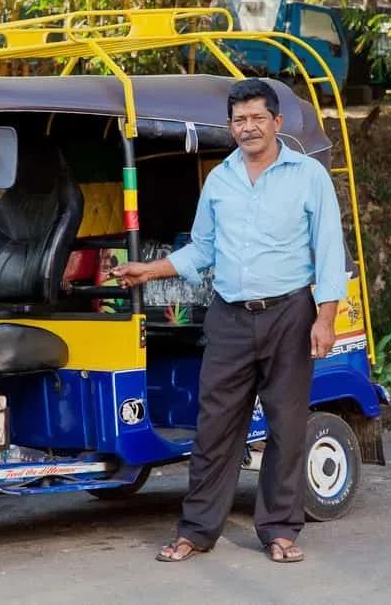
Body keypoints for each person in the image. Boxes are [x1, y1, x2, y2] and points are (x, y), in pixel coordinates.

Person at [111, 78, 346, 564]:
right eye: (240, 120)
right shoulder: (220, 179)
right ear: (230, 126)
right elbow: (203, 249)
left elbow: (327, 251)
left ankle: (281, 529)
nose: (249, 127)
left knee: (286, 426)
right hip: (230, 317)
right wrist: (149, 269)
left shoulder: (307, 176)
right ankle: (196, 531)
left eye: (258, 118)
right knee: (214, 426)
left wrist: (325, 318)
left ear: (277, 123)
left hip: (290, 313)